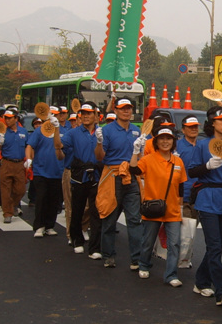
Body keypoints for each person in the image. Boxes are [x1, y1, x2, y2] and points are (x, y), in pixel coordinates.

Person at [188, 106, 222, 306]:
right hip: (208, 197)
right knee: (214, 244)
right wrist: (207, 166)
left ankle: (201, 281)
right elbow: (192, 172)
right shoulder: (202, 145)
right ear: (212, 123)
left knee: (218, 246)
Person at [130, 126, 187, 286]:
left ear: (173, 141)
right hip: (152, 207)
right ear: (156, 142)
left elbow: (181, 186)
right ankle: (144, 264)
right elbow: (133, 169)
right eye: (161, 138)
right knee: (148, 241)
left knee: (174, 243)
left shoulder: (178, 161)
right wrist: (135, 151)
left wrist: (181, 207)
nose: (165, 141)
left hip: (173, 210)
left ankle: (171, 275)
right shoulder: (148, 159)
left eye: (168, 139)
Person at [94, 98, 144, 267]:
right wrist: (99, 142)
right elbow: (100, 157)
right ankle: (108, 255)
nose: (126, 111)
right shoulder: (106, 130)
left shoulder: (136, 130)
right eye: (123, 108)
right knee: (109, 217)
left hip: (131, 177)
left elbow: (140, 159)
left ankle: (136, 258)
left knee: (134, 220)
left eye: (129, 108)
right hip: (113, 176)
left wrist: (139, 151)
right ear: (115, 110)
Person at [54, 102, 102, 257]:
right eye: (83, 113)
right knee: (77, 209)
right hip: (79, 175)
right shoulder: (73, 133)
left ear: (96, 115)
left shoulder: (101, 133)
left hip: (96, 175)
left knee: (95, 212)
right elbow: (59, 146)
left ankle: (95, 247)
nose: (86, 116)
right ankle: (77, 240)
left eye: (89, 113)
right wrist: (55, 129)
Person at [26, 115, 63, 238]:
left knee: (54, 201)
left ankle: (49, 226)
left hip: (57, 171)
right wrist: (28, 159)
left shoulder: (63, 131)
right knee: (41, 199)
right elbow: (30, 145)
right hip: (40, 171)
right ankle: (39, 226)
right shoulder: (39, 131)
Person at [0, 108, 28, 224]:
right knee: (5, 190)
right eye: (6, 118)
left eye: (9, 118)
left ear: (16, 119)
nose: (7, 120)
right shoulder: (3, 132)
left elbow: (28, 146)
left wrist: (29, 159)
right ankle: (7, 213)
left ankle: (12, 205)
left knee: (21, 190)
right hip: (6, 163)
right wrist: (0, 142)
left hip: (19, 164)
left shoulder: (23, 131)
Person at [175, 115, 200, 268]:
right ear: (183, 129)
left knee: (192, 229)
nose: (193, 129)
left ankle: (186, 256)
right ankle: (179, 257)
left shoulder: (203, 145)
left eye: (196, 126)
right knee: (183, 229)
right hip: (182, 193)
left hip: (198, 194)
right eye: (190, 127)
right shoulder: (177, 146)